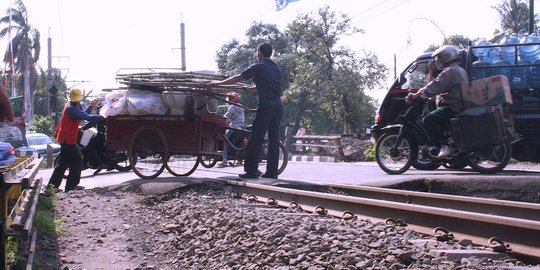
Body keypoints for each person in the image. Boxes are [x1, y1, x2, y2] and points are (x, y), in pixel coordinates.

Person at [210, 42, 283, 179]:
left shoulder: (258, 66)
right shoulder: (276, 68)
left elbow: (238, 77)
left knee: (255, 137)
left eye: (257, 52)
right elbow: (267, 86)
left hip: (266, 106)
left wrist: (218, 84)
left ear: (260, 53)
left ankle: (251, 171)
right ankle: (272, 172)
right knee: (274, 139)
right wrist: (249, 89)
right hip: (278, 106)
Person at [406, 45, 468, 158]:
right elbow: (445, 88)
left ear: (446, 57)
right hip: (457, 104)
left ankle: (444, 146)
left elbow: (436, 85)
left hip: (453, 106)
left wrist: (417, 94)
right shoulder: (459, 69)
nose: (437, 61)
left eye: (439, 58)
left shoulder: (450, 71)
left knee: (429, 119)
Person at [47, 88, 104, 192]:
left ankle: (51, 187)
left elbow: (82, 114)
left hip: (64, 138)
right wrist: (102, 117)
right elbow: (87, 117)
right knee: (77, 161)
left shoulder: (72, 105)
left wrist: (91, 106)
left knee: (62, 164)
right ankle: (70, 187)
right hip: (68, 139)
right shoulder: (71, 108)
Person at [218, 92, 245, 168]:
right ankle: (239, 160)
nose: (228, 100)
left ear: (232, 100)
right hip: (241, 127)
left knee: (224, 140)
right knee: (239, 143)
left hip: (234, 127)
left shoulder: (232, 108)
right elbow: (231, 119)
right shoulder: (241, 107)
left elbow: (225, 118)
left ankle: (224, 160)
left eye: (230, 98)